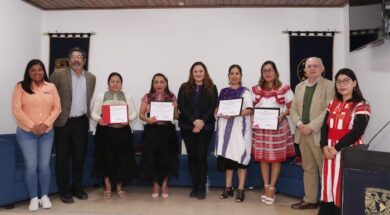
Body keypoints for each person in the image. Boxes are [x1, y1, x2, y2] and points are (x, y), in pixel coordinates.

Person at [318, 68, 370, 215]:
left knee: (343, 187)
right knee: (328, 186)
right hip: (329, 152)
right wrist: (324, 146)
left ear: (354, 83)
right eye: (339, 82)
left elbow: (357, 131)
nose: (342, 85)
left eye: (346, 81)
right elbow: (324, 127)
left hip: (349, 152)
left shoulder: (361, 105)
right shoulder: (332, 103)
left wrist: (337, 148)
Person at [12, 59, 61, 211]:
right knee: (31, 165)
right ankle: (33, 197)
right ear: (28, 72)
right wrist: (33, 127)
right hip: (26, 133)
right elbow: (17, 110)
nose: (36, 73)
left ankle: (44, 196)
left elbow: (57, 108)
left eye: (39, 70)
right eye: (33, 70)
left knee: (44, 166)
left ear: (44, 71)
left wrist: (45, 124)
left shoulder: (51, 87)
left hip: (47, 133)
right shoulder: (20, 87)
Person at [49, 47, 96, 203]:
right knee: (62, 158)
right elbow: (49, 95)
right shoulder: (58, 74)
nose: (76, 59)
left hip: (81, 122)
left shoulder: (91, 77)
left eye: (79, 57)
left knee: (79, 157)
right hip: (63, 122)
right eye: (73, 57)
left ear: (84, 60)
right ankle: (64, 191)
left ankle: (77, 188)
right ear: (69, 59)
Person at [289, 57, 335, 209]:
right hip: (302, 133)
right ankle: (310, 200)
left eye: (315, 66)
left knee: (324, 169)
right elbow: (293, 109)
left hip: (318, 135)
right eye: (309, 66)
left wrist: (311, 126)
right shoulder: (299, 86)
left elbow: (327, 110)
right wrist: (300, 124)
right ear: (305, 69)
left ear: (322, 69)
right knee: (308, 168)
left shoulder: (329, 86)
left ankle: (328, 202)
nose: (312, 68)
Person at [251, 61, 295, 205]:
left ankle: (272, 188)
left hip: (278, 129)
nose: (267, 73)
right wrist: (252, 119)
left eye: (270, 70)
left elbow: (291, 107)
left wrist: (283, 115)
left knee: (276, 159)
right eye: (264, 71)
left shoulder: (285, 88)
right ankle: (265, 186)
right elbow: (251, 108)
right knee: (263, 158)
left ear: (275, 72)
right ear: (262, 73)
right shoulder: (255, 89)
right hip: (261, 130)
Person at [90, 72, 137, 199]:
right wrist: (99, 119)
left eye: (118, 81)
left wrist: (127, 118)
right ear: (108, 83)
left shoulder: (127, 96)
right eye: (112, 81)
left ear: (121, 84)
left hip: (123, 133)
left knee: (122, 160)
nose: (115, 83)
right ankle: (108, 187)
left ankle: (120, 187)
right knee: (106, 160)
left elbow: (134, 114)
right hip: (106, 133)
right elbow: (93, 113)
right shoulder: (101, 96)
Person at [178, 61, 218, 199]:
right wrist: (193, 121)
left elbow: (213, 106)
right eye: (195, 71)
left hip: (205, 127)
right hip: (187, 127)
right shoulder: (184, 87)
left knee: (201, 156)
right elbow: (181, 106)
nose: (198, 74)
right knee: (192, 156)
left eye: (201, 71)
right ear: (192, 73)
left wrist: (201, 122)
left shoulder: (212, 87)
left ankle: (201, 187)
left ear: (205, 72)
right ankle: (195, 186)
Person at [215, 64, 253, 202]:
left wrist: (234, 114)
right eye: (232, 73)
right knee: (228, 161)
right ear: (228, 76)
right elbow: (217, 109)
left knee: (241, 160)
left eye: (237, 73)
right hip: (225, 130)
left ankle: (241, 189)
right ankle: (228, 188)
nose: (234, 76)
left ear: (241, 76)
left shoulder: (246, 92)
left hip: (240, 130)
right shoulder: (223, 91)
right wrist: (219, 112)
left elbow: (249, 110)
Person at [138, 73, 179, 199]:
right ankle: (155, 185)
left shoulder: (172, 96)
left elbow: (176, 117)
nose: (159, 84)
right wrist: (148, 119)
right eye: (156, 82)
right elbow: (141, 115)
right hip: (152, 131)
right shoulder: (147, 97)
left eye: (161, 82)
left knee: (167, 159)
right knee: (153, 158)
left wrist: (176, 108)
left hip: (167, 131)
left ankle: (165, 185)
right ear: (152, 84)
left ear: (166, 83)